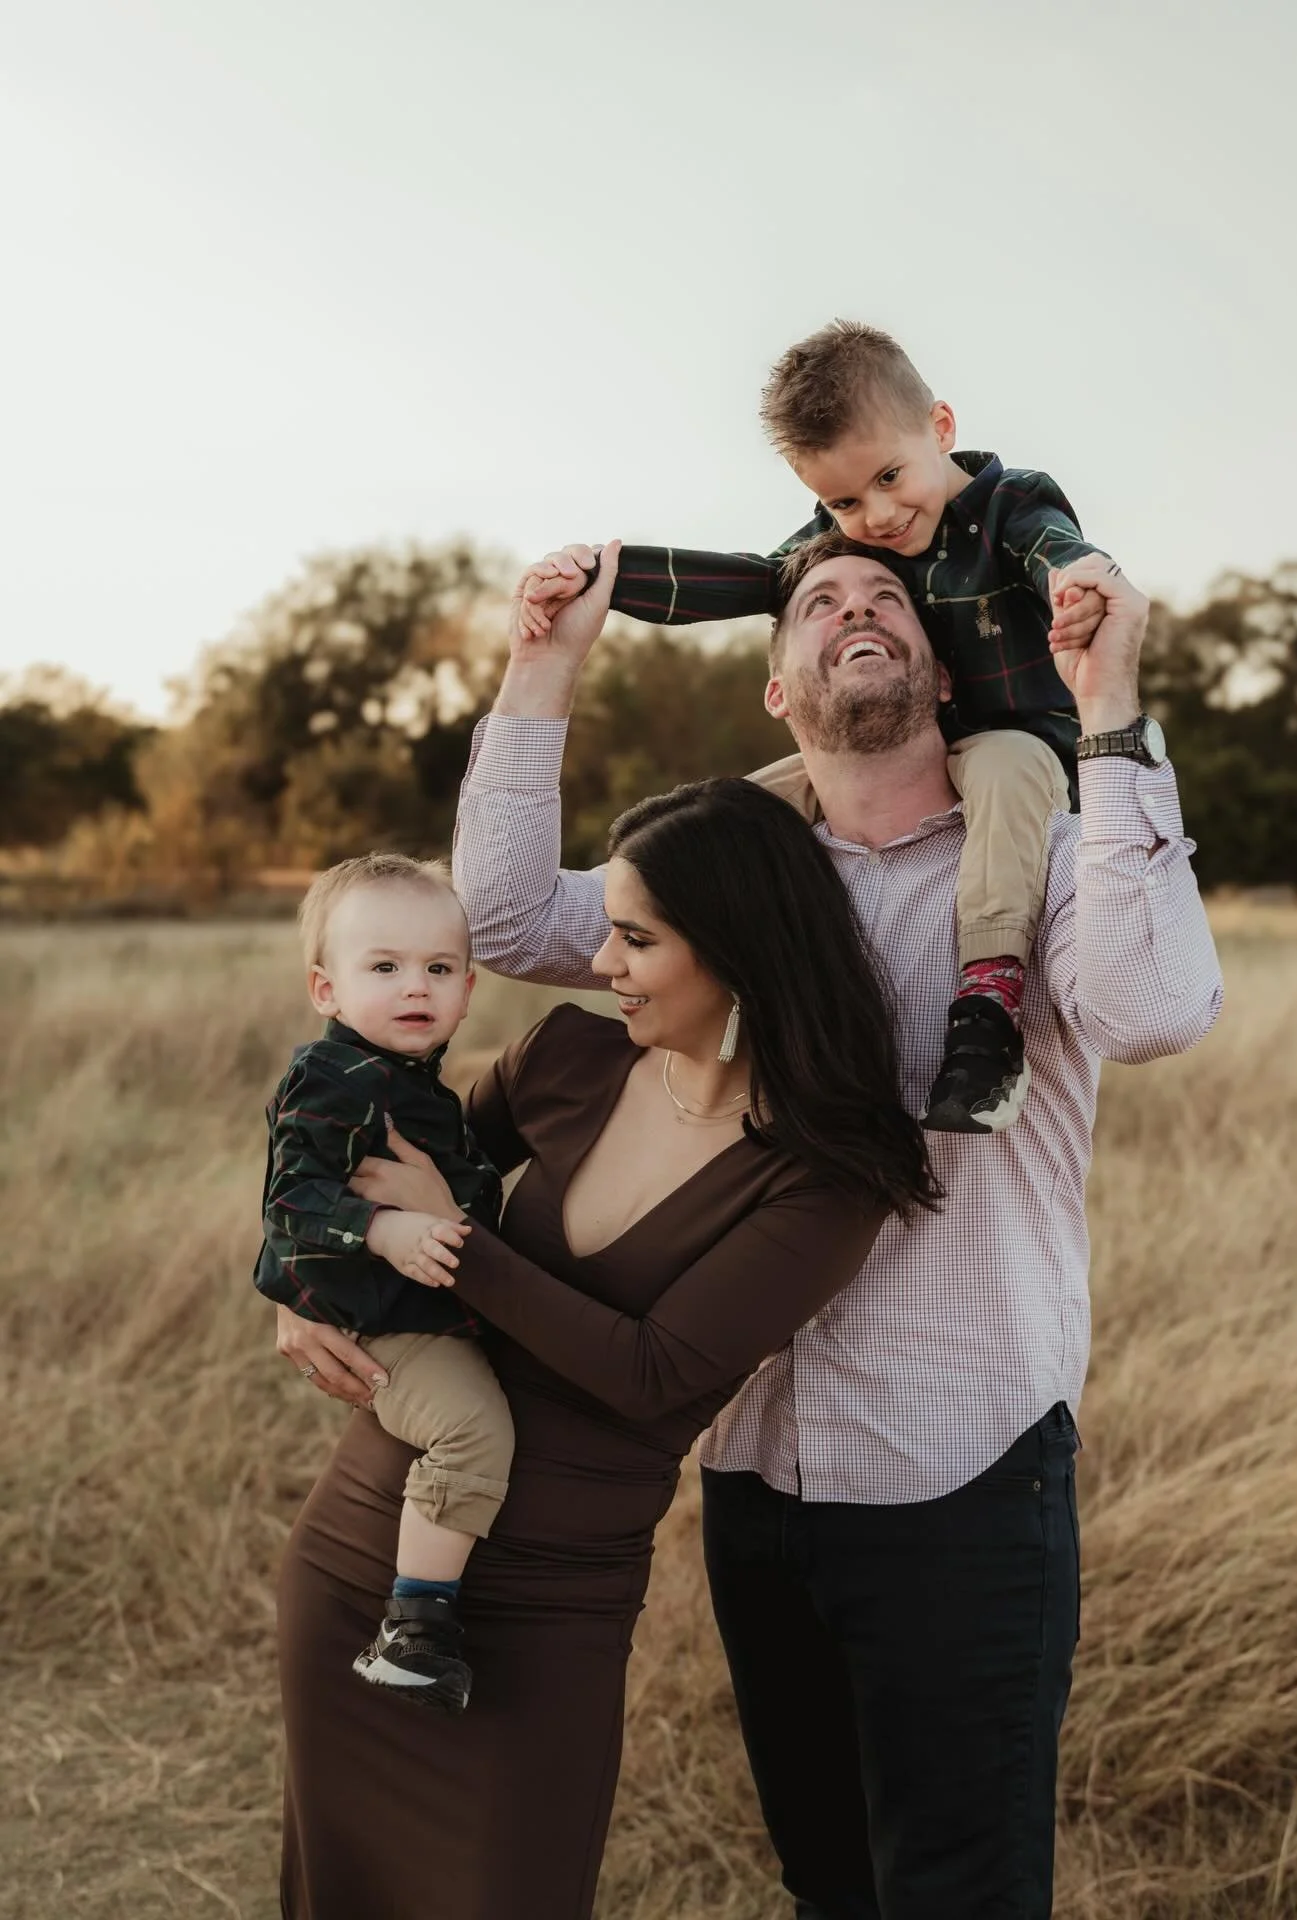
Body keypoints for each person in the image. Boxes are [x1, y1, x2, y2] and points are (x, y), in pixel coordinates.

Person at [451, 533, 1224, 1918]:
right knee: (829, 1887)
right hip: (756, 1470)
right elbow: (503, 916)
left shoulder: (1048, 861)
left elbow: (1154, 1009)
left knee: (958, 1896)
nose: (859, 609)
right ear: (776, 689)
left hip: (964, 1472)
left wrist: (1108, 703)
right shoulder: (722, 885)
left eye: (887, 600)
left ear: (937, 673)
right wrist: (539, 663)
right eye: (819, 604)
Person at [271, 771, 938, 1918]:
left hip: (550, 1606)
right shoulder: (568, 1059)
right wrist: (299, 1286)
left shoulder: (828, 1178)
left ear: (737, 947)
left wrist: (459, 1246)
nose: (604, 964)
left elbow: (655, 1374)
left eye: (635, 938)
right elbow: (348, 1164)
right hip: (367, 1549)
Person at [519, 319, 1112, 1135]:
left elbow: (1056, 548)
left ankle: (988, 1002)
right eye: (841, 501)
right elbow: (755, 580)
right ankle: (666, 952)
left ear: (940, 429)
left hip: (1020, 748)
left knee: (1006, 767)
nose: (875, 514)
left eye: (890, 476)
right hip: (886, 758)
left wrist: (1078, 583)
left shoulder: (1008, 502)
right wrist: (605, 577)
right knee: (725, 817)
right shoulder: (840, 542)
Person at [255, 852, 515, 1716]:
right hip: (381, 1323)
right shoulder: (330, 1078)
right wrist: (384, 1227)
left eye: (439, 968)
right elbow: (291, 1199)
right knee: (472, 1431)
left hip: (412, 1310)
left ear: (470, 989)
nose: (417, 986)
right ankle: (416, 1626)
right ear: (326, 991)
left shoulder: (411, 1080)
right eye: (386, 967)